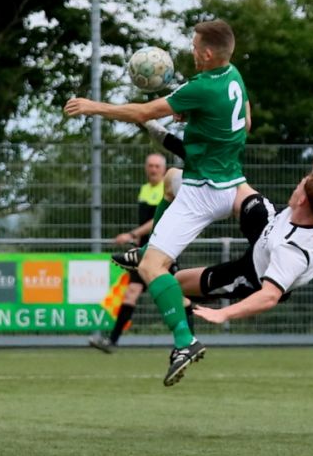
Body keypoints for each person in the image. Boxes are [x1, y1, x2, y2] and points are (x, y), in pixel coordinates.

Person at [65, 19, 249, 386]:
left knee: (151, 270)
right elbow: (245, 121)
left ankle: (185, 341)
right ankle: (148, 247)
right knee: (168, 180)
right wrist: (195, 111)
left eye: (196, 48)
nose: (192, 52)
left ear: (208, 54)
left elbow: (142, 113)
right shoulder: (233, 77)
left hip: (203, 191)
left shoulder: (202, 87)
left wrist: (92, 106)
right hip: (229, 182)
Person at [182, 103, 313, 326]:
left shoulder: (291, 251)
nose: (297, 186)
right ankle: (188, 159)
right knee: (232, 186)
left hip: (253, 273)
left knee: (176, 283)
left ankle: (184, 325)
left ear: (302, 200)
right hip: (268, 228)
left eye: (300, 186)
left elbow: (270, 296)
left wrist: (224, 313)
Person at [89, 152, 168, 353]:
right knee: (131, 293)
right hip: (143, 252)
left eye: (157, 166)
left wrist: (132, 233)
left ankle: (187, 339)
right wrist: (137, 239)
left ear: (164, 169)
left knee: (176, 294)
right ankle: (112, 341)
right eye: (150, 165)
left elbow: (157, 221)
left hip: (163, 252)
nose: (153, 169)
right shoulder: (144, 189)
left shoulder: (166, 190)